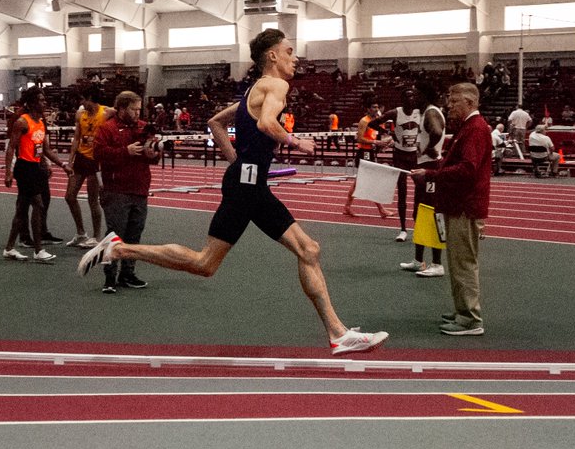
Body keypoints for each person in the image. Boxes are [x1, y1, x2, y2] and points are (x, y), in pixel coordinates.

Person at [79, 29, 388, 355]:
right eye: (289, 51)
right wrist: (297, 142)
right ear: (273, 56)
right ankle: (120, 249)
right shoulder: (276, 85)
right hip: (248, 185)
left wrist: (238, 164)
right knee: (205, 262)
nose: (295, 58)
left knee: (307, 250)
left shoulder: (254, 90)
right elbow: (267, 124)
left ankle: (337, 333)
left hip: (248, 181)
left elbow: (215, 122)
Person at [410, 83, 491, 335]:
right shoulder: (469, 128)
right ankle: (462, 310)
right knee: (457, 263)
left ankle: (470, 318)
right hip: (459, 205)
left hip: (465, 206)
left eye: (454, 101)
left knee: (463, 263)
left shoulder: (475, 129)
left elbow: (468, 169)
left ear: (470, 102)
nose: (449, 105)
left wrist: (432, 174)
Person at [92, 90, 161, 293]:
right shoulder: (107, 128)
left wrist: (154, 152)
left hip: (139, 188)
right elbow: (98, 153)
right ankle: (110, 277)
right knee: (114, 235)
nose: (138, 113)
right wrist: (125, 151)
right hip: (116, 190)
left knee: (134, 234)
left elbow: (153, 156)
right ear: (122, 108)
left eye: (140, 109)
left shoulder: (143, 128)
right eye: (134, 109)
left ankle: (128, 273)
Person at [3, 86, 71, 262]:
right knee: (39, 205)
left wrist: (62, 164)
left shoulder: (41, 122)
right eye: (41, 100)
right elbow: (11, 147)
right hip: (24, 168)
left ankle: (9, 248)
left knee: (21, 210)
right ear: (33, 103)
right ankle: (38, 250)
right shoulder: (22, 122)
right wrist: (8, 172)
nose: (45, 102)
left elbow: (45, 149)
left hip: (36, 167)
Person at [400, 81, 446, 277]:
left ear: (425, 95)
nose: (413, 98)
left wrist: (428, 150)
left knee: (432, 213)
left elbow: (435, 132)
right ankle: (419, 260)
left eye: (416, 94)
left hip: (431, 167)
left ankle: (437, 263)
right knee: (419, 214)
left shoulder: (431, 113)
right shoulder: (427, 111)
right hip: (424, 166)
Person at [368, 89, 421, 241]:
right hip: (400, 155)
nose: (410, 99)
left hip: (415, 155)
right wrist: (389, 134)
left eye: (412, 96)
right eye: (407, 96)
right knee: (402, 191)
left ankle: (417, 225)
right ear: (402, 99)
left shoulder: (420, 112)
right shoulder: (395, 113)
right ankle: (403, 229)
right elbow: (373, 123)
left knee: (419, 190)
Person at [64, 86, 107, 248]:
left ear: (90, 97)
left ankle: (96, 237)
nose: (81, 103)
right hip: (81, 158)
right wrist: (70, 161)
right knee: (69, 196)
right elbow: (76, 138)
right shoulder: (80, 114)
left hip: (96, 161)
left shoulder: (106, 113)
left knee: (92, 200)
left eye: (83, 99)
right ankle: (81, 233)